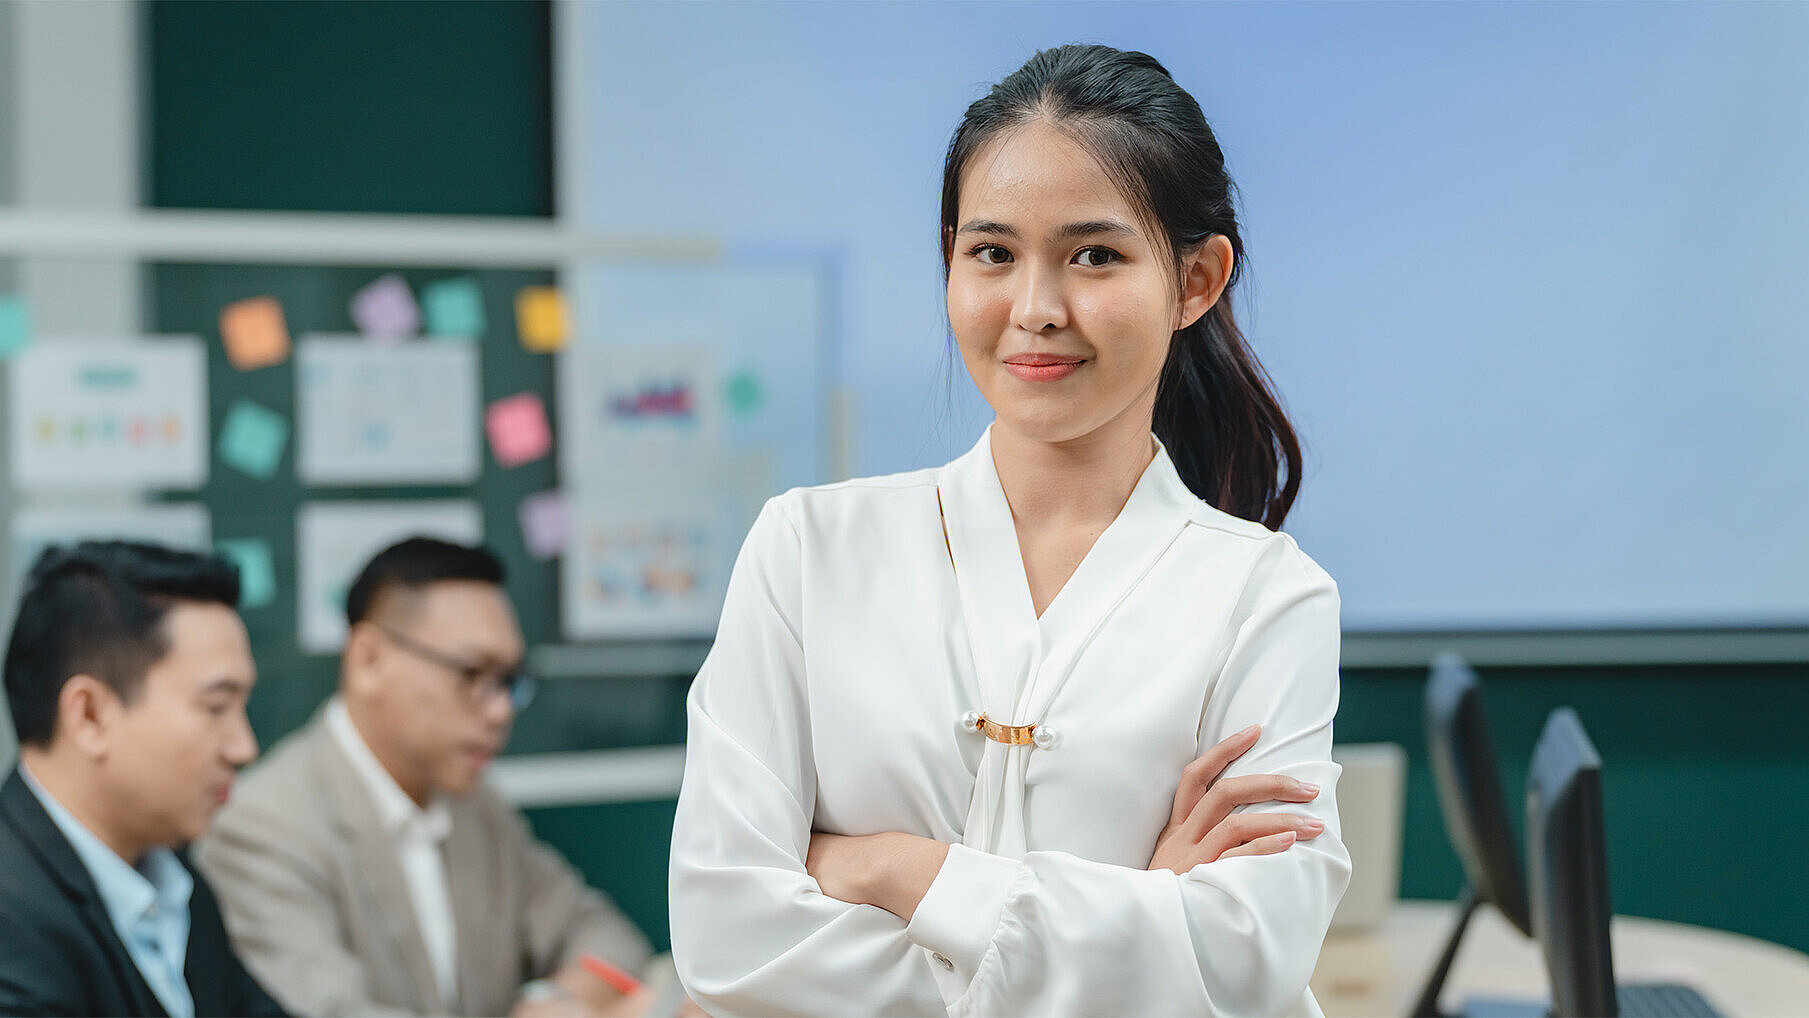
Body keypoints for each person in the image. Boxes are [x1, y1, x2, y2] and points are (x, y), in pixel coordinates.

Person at [669, 43, 1350, 1016]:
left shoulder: (1267, 596)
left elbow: (1248, 960)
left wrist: (903, 870)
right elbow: (727, 942)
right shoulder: (807, 552)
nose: (1035, 308)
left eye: (1095, 256)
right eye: (992, 252)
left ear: (1196, 281)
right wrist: (1143, 926)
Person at [195, 537, 656, 1017]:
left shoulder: (476, 807)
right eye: (471, 673)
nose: (500, 710)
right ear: (369, 661)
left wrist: (559, 1000)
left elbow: (607, 936)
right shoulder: (262, 828)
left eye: (509, 681)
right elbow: (330, 1013)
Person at [0, 541, 284, 1017]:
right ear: (89, 716)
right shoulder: (12, 921)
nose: (244, 747)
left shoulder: (174, 879)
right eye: (216, 707)